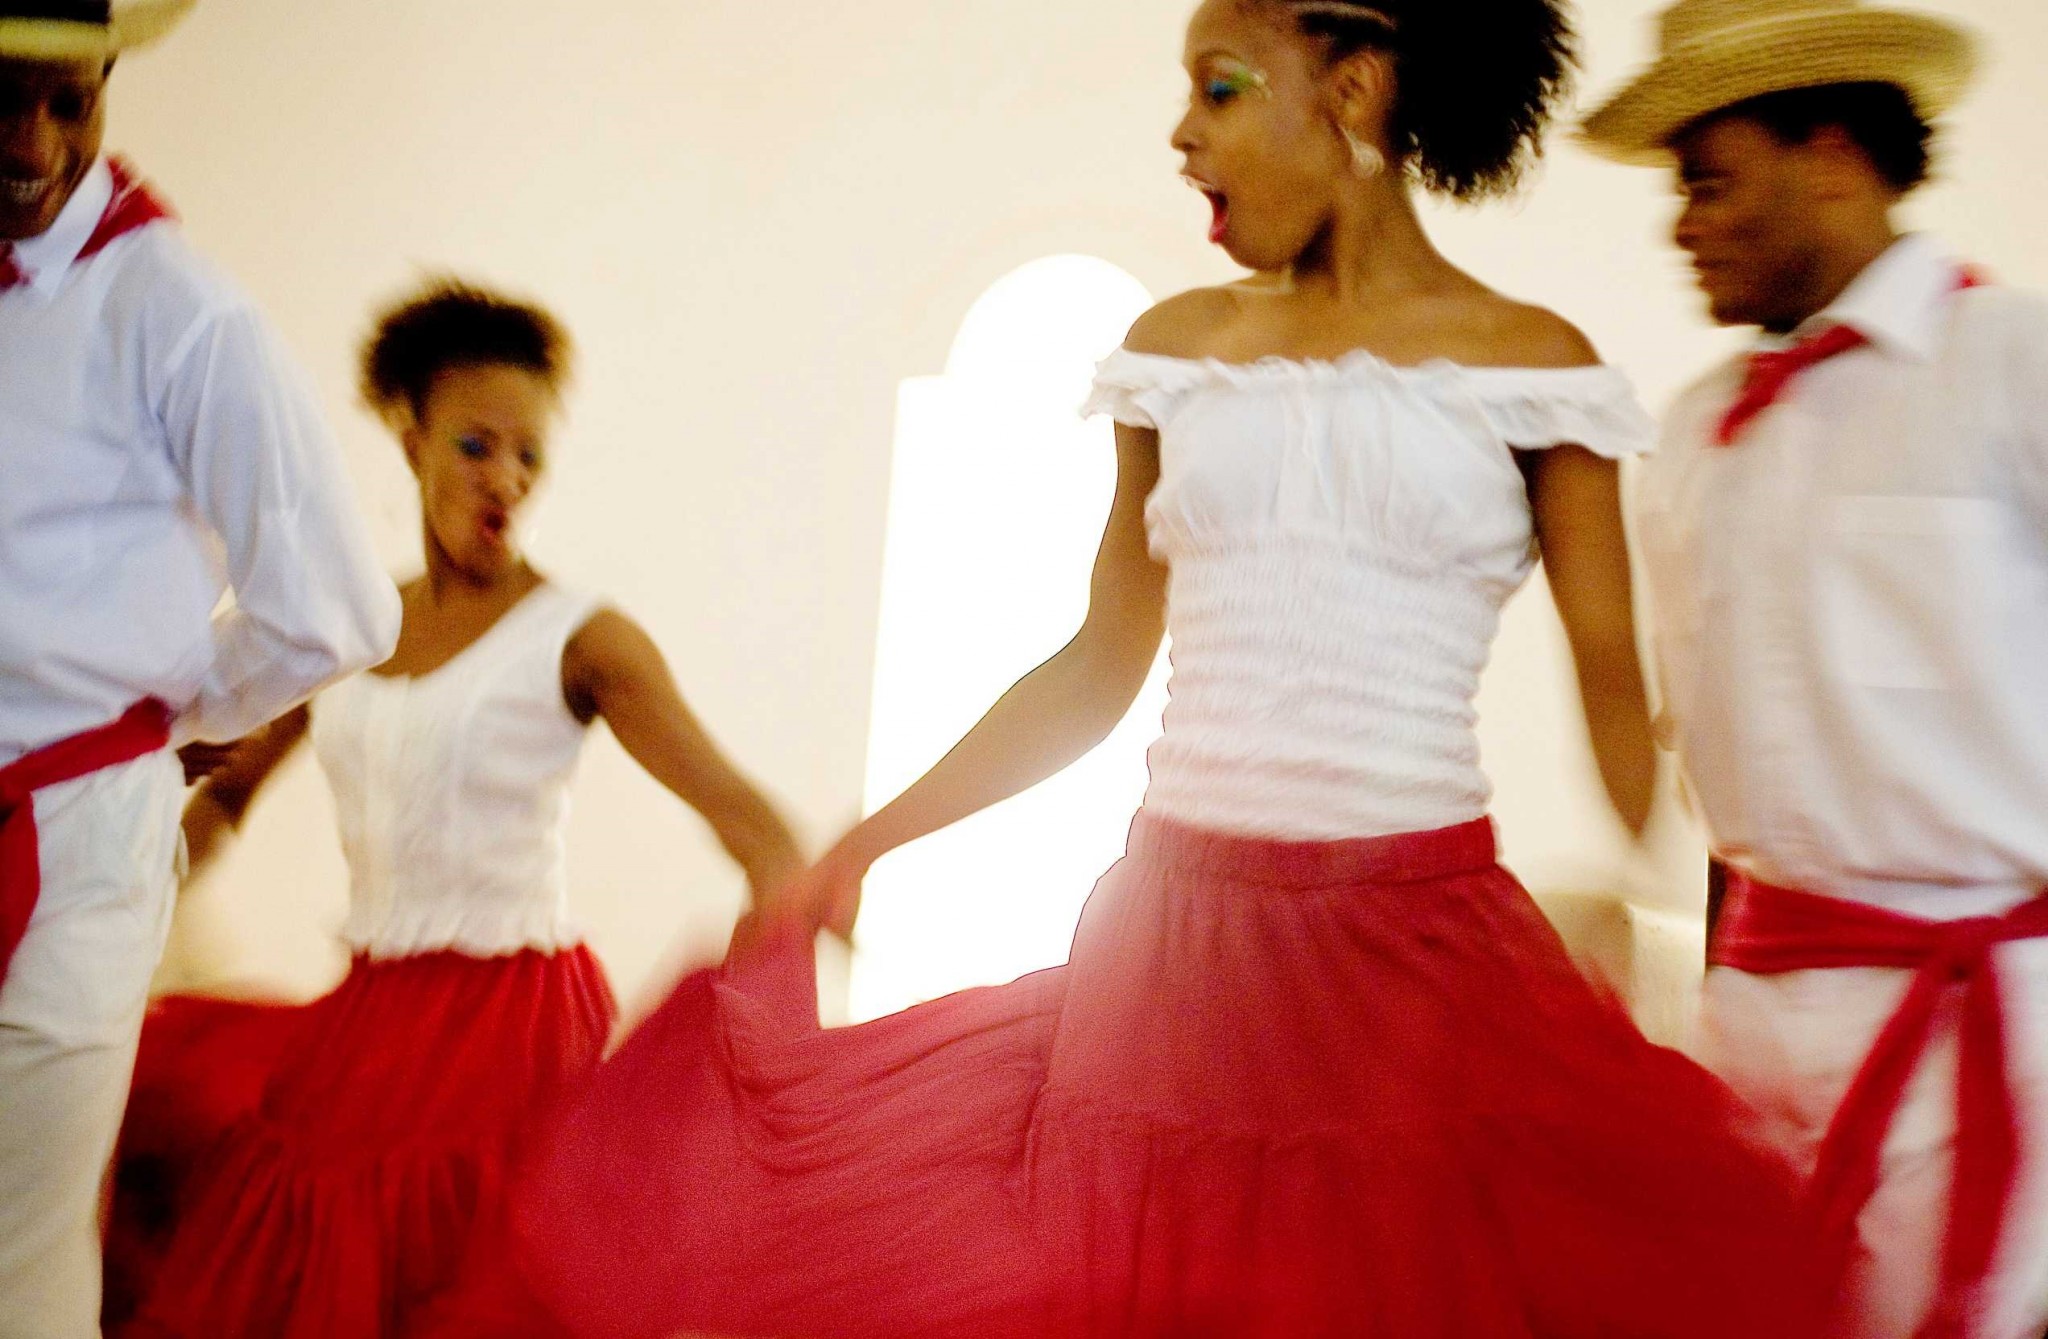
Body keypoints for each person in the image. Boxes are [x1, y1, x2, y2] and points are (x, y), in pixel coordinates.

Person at [485, 2, 1831, 1335]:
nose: (1182, 133)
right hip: (1174, 950)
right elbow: (1095, 664)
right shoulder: (1175, 353)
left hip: (1416, 960)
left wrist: (1667, 912)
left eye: (1221, 87)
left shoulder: (1538, 369)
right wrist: (870, 841)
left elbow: (1614, 689)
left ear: (1352, 91)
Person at [117, 279, 806, 1338]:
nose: (507, 479)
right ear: (412, 442)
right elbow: (228, 797)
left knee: (468, 1273)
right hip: (369, 1021)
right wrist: (122, 899)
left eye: (529, 455)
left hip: (511, 1023)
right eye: (477, 446)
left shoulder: (583, 637)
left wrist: (785, 945)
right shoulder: (347, 624)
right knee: (294, 1238)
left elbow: (749, 821)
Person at [1582, 2, 2048, 1335]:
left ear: (1832, 157)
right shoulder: (1696, 433)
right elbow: (1709, 740)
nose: (1681, 226)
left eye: (1709, 181)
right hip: (1750, 1012)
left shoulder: (2014, 364)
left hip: (1971, 1015)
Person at [0, 2, 401, 1332]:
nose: (32, 143)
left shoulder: (179, 311)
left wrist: (170, 716)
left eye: (69, 101)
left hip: (67, 831)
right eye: (1, 99)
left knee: (17, 1245)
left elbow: (334, 608)